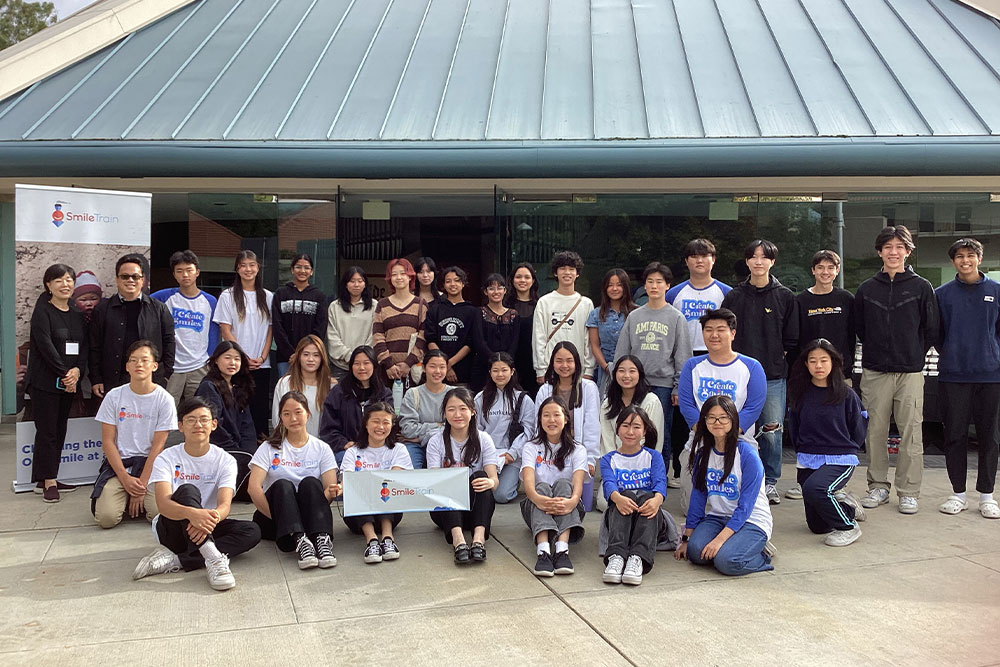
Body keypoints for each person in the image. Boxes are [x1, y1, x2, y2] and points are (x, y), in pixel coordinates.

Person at [132, 397, 262, 591]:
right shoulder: (166, 458)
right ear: (180, 426)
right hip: (172, 526)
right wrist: (192, 514)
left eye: (204, 419)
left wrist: (210, 518)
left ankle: (178, 560)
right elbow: (163, 505)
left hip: (208, 523)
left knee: (252, 531)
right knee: (188, 489)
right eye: (191, 420)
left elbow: (225, 505)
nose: (198, 425)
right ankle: (214, 558)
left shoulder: (225, 460)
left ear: (214, 425)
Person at [855, 225, 939, 514]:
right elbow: (861, 329)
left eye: (899, 247)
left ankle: (908, 491)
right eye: (888, 247)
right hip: (875, 371)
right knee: (874, 431)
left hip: (910, 371)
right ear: (880, 251)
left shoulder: (921, 286)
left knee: (911, 432)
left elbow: (931, 329)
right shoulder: (867, 289)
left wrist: (912, 354)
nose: (893, 252)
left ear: (907, 251)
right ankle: (877, 486)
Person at [721, 240, 798, 505]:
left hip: (773, 375)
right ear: (746, 262)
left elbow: (792, 338)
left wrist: (779, 358)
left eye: (764, 257)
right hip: (738, 375)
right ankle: (735, 476)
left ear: (772, 262)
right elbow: (724, 332)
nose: (758, 262)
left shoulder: (785, 296)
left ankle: (770, 481)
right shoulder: (734, 296)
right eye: (753, 257)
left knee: (772, 431)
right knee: (735, 427)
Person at [935, 238, 1000, 519]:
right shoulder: (942, 294)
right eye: (960, 256)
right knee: (955, 436)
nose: (965, 260)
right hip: (954, 375)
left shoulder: (996, 291)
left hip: (991, 375)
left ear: (979, 259)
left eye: (971, 255)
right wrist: (952, 353)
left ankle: (987, 495)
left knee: (990, 437)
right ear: (953, 262)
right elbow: (936, 334)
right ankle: (957, 493)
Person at [677, 309, 767, 510]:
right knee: (691, 508)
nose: (714, 335)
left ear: (733, 333)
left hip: (740, 440)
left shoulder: (751, 366)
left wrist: (727, 433)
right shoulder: (692, 366)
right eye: (708, 330)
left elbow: (753, 407)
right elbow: (687, 404)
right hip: (700, 439)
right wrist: (708, 432)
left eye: (720, 330)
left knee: (741, 505)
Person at [675, 396, 774, 576]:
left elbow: (745, 507)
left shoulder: (748, 455)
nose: (717, 422)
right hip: (718, 518)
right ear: (704, 421)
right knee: (696, 553)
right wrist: (686, 539)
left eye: (723, 417)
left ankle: (761, 553)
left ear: (733, 420)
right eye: (711, 417)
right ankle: (734, 546)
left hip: (751, 521)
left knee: (726, 562)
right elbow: (697, 498)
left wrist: (719, 541)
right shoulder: (702, 454)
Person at [785, 249, 856, 501]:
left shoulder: (846, 299)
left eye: (831, 267)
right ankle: (803, 477)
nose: (825, 272)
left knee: (837, 427)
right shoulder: (800, 300)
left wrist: (845, 368)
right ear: (813, 270)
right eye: (820, 267)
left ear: (837, 271)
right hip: (807, 376)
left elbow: (851, 335)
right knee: (807, 424)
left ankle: (836, 480)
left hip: (838, 377)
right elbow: (794, 338)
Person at [787, 339, 867, 546]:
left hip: (839, 457)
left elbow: (859, 426)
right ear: (806, 364)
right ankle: (847, 506)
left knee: (815, 488)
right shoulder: (799, 393)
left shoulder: (846, 394)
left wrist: (849, 448)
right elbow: (794, 427)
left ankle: (849, 527)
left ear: (834, 362)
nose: (819, 366)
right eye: (813, 361)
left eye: (824, 360)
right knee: (818, 526)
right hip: (808, 457)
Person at [249, 391, 340, 570]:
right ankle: (300, 541)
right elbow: (254, 488)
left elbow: (328, 490)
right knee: (283, 485)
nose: (293, 418)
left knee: (311, 483)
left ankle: (321, 539)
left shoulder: (321, 448)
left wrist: (335, 490)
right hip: (274, 517)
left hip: (308, 515)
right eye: (287, 414)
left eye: (298, 412)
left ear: (308, 413)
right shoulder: (268, 447)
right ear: (281, 418)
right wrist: (283, 518)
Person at [92, 341, 177, 528]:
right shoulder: (114, 396)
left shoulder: (165, 400)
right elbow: (108, 442)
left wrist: (141, 486)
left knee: (159, 515)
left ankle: (137, 498)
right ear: (127, 367)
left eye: (145, 360)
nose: (139, 364)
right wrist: (124, 478)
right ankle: (125, 495)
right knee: (106, 519)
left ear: (154, 366)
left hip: (152, 466)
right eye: (133, 360)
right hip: (121, 466)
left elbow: (158, 446)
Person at [613, 262, 691, 461]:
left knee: (659, 433)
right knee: (630, 428)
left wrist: (677, 388)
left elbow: (682, 355)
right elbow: (623, 352)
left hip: (663, 385)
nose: (654, 286)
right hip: (634, 384)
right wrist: (619, 379)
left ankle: (659, 479)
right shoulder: (634, 316)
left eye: (659, 282)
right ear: (644, 286)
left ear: (667, 285)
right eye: (650, 282)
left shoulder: (676, 317)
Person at [28, 264, 87, 502]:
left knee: (60, 429)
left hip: (69, 382)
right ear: (48, 285)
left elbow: (82, 348)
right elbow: (45, 347)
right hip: (46, 382)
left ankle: (47, 476)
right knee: (47, 431)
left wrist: (77, 371)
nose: (65, 284)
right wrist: (65, 373)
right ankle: (48, 482)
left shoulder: (76, 314)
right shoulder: (43, 311)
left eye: (69, 280)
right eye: (59, 280)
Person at [426, 388, 500, 564]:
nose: (457, 414)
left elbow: (494, 481)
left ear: (473, 411)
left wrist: (488, 482)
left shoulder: (484, 439)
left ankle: (478, 539)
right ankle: (458, 540)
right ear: (444, 413)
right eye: (451, 409)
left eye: (463, 408)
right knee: (449, 478)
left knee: (481, 475)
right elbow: (434, 483)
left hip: (476, 507)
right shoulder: (436, 441)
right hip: (445, 510)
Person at [89, 253, 175, 396]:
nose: (130, 280)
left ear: (142, 280)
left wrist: (165, 373)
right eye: (125, 276)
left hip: (150, 380)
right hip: (113, 381)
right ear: (117, 279)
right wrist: (96, 378)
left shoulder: (159, 308)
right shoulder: (102, 309)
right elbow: (94, 347)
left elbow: (169, 341)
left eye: (135, 277)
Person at [520, 397, 588, 577]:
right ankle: (543, 551)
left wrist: (572, 502)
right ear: (540, 420)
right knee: (540, 486)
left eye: (556, 415)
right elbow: (528, 486)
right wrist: (541, 501)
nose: (551, 420)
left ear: (566, 418)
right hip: (536, 507)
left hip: (569, 507)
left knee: (565, 484)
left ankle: (561, 550)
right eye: (546, 415)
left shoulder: (577, 449)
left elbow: (578, 485)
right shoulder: (531, 447)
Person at [600, 405, 667, 586]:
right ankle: (617, 556)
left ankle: (638, 558)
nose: (630, 431)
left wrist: (657, 500)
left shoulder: (653, 456)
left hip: (649, 517)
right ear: (617, 428)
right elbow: (609, 484)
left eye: (636, 426)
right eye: (625, 425)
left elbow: (660, 483)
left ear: (645, 430)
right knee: (626, 494)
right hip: (620, 516)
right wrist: (618, 498)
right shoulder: (609, 459)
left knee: (647, 496)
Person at [340, 402, 412, 563]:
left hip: (391, 514)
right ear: (366, 423)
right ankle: (371, 540)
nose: (381, 427)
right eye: (376, 421)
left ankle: (388, 538)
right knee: (360, 486)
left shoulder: (399, 449)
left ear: (392, 425)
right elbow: (348, 481)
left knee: (386, 485)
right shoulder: (353, 452)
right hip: (356, 517)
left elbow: (396, 479)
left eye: (386, 422)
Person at [213, 250, 273, 438]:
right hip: (236, 364)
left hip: (261, 363)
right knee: (237, 406)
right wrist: (242, 358)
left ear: (258, 268)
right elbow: (225, 330)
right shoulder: (227, 296)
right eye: (243, 265)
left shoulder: (268, 296)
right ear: (237, 269)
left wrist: (263, 356)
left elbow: (270, 329)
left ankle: (260, 446)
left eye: (252, 265)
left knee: (260, 408)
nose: (248, 269)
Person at [152, 250, 219, 405]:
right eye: (180, 271)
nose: (185, 275)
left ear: (197, 272)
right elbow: (142, 302)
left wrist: (210, 359)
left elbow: (214, 332)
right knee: (165, 410)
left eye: (189, 270)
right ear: (174, 274)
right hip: (172, 367)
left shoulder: (210, 301)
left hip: (200, 365)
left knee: (198, 410)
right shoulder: (164, 297)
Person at [598, 356, 664, 510]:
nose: (626, 376)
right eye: (621, 371)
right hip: (617, 466)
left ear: (640, 374)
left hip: (644, 467)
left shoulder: (651, 401)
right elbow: (607, 440)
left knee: (644, 501)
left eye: (632, 371)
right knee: (603, 502)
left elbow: (655, 439)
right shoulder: (608, 403)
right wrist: (617, 464)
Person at [195, 341, 256, 497]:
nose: (232, 363)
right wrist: (236, 450)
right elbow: (213, 426)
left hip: (239, 451)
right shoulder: (208, 386)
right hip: (220, 449)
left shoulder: (238, 387)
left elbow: (247, 426)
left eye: (237, 359)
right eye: (227, 358)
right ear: (216, 360)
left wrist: (247, 452)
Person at [474, 352, 535, 503]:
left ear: (512, 371)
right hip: (487, 456)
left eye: (504, 370)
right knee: (478, 491)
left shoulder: (523, 399)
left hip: (511, 457)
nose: (499, 374)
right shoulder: (480, 398)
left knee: (501, 495)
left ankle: (513, 480)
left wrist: (512, 453)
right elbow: (476, 429)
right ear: (490, 372)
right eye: (495, 370)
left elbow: (529, 431)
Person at [535, 342, 601, 476]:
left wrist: (589, 459)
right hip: (550, 451)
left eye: (569, 361)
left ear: (576, 362)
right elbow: (537, 425)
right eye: (559, 361)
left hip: (577, 451)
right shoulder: (545, 390)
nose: (564, 366)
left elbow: (592, 425)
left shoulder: (588, 388)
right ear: (552, 363)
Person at [319, 345, 393, 466]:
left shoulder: (384, 394)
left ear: (374, 365)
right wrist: (343, 443)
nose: (361, 368)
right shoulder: (338, 392)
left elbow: (389, 425)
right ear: (351, 366)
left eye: (366, 363)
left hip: (378, 449)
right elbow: (328, 428)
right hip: (347, 449)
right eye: (357, 363)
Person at [533, 251, 595, 383]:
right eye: (562, 268)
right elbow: (539, 338)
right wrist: (541, 370)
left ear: (577, 274)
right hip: (551, 370)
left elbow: (589, 340)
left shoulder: (586, 303)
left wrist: (589, 370)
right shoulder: (544, 302)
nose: (567, 272)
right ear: (555, 272)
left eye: (571, 269)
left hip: (578, 371)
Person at [373, 258, 426, 387]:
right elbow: (377, 337)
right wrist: (388, 364)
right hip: (387, 372)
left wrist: (409, 362)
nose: (399, 277)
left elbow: (423, 336)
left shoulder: (420, 304)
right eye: (394, 274)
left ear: (410, 277)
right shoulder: (382, 304)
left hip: (413, 370)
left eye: (403, 273)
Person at [271, 253, 327, 376]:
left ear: (311, 271)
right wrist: (291, 354)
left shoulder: (319, 296)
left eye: (306, 268)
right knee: (287, 392)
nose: (302, 271)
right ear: (292, 270)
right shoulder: (281, 294)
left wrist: (305, 353)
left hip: (310, 357)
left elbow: (320, 328)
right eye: (298, 267)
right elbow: (277, 326)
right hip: (286, 358)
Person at [398, 350, 455, 468]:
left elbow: (458, 427)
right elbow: (408, 429)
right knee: (411, 472)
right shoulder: (413, 394)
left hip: (446, 444)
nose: (437, 371)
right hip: (415, 446)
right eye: (432, 366)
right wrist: (439, 425)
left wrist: (420, 437)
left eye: (442, 367)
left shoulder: (454, 393)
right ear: (424, 368)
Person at [271, 334, 333, 437]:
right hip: (289, 443)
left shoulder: (330, 386)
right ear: (298, 356)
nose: (310, 359)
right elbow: (277, 419)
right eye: (306, 354)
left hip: (321, 446)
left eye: (316, 355)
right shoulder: (284, 383)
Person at [587, 269, 636, 395]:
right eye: (610, 285)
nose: (614, 289)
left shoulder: (636, 313)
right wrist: (606, 367)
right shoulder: (596, 314)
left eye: (619, 285)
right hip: (605, 370)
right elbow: (595, 345)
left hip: (630, 370)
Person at [425, 266, 476, 385]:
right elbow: (430, 340)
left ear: (463, 283)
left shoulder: (472, 311)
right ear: (443, 285)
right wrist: (443, 365)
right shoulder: (434, 310)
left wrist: (449, 363)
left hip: (463, 374)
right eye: (448, 281)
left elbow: (470, 343)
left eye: (457, 280)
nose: (453, 284)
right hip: (437, 373)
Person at [471, 273, 519, 392]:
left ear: (505, 291)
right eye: (491, 288)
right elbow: (479, 341)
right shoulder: (479, 313)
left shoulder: (513, 314)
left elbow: (515, 342)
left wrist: (505, 362)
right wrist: (494, 360)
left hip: (507, 367)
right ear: (485, 292)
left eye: (499, 288)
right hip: (483, 366)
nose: (496, 292)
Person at [326, 266, 374, 381]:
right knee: (338, 398)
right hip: (339, 366)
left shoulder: (374, 306)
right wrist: (350, 356)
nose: (356, 285)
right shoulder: (334, 306)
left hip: (365, 367)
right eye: (352, 281)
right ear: (345, 284)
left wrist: (361, 359)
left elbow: (374, 336)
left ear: (365, 284)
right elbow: (332, 337)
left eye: (360, 281)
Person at [506, 262, 540, 397]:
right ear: (512, 280)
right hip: (510, 361)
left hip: (534, 362)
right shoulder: (504, 305)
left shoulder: (540, 305)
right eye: (518, 277)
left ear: (533, 280)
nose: (522, 280)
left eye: (527, 277)